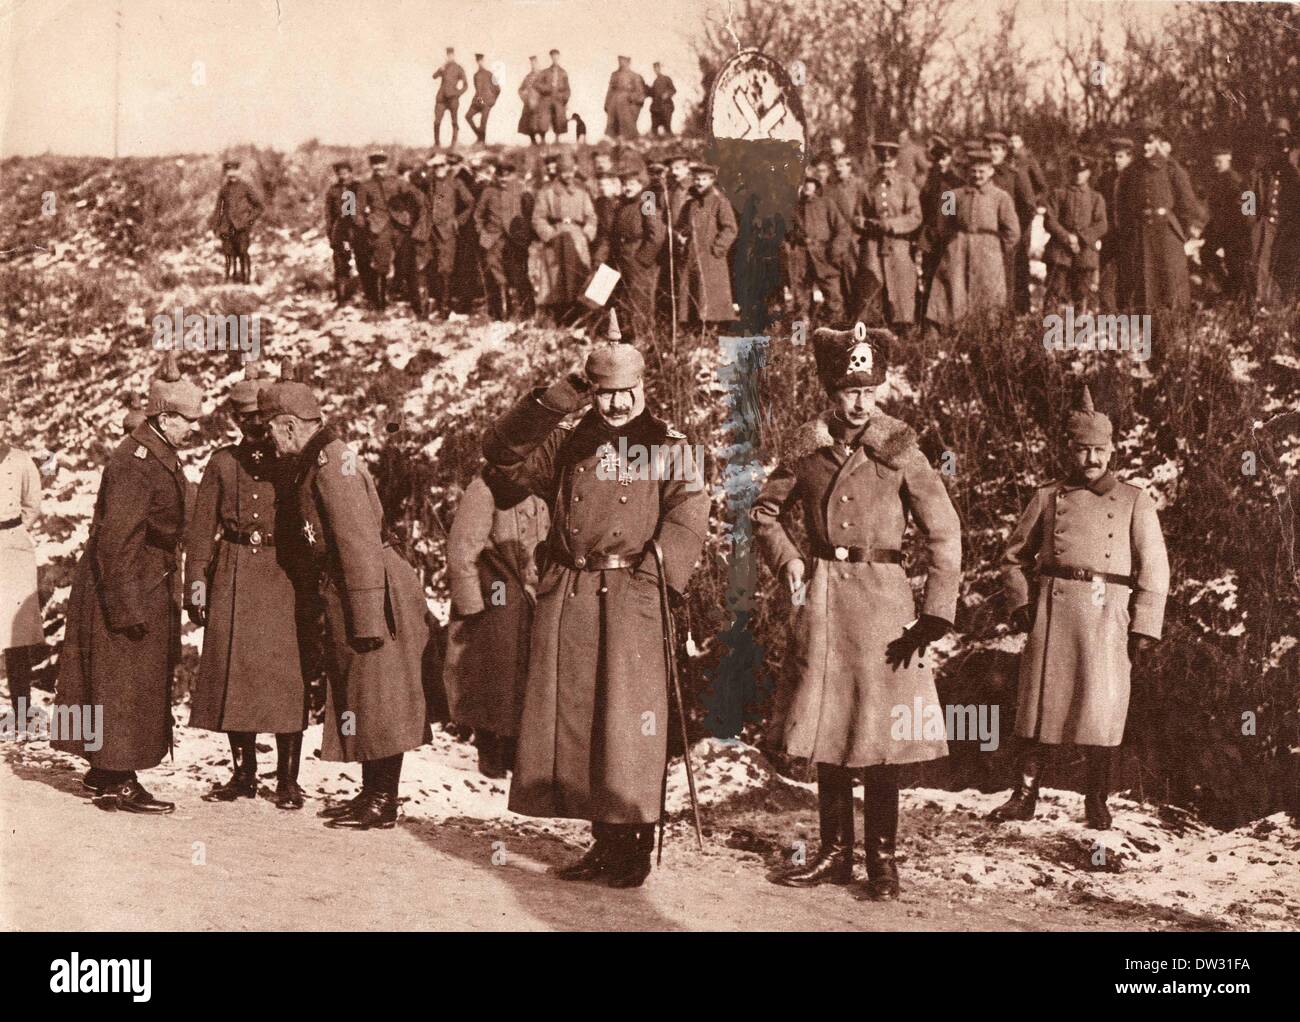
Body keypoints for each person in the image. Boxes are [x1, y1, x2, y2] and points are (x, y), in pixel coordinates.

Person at [481, 344, 709, 887]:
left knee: (630, 719)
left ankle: (633, 846)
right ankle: (604, 843)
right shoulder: (567, 440)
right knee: (584, 718)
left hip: (633, 590)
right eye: (603, 393)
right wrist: (557, 399)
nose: (615, 404)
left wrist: (658, 581)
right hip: (572, 590)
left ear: (643, 387)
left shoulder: (669, 445)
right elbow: (501, 457)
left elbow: (688, 517)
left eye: (625, 392)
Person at [752, 327, 961, 898]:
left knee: (881, 735)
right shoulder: (806, 449)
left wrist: (937, 610)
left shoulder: (901, 450)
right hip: (825, 598)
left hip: (885, 604)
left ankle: (883, 859)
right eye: (848, 389)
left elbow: (943, 531)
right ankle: (835, 852)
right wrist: (790, 562)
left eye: (869, 388)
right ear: (829, 389)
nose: (860, 401)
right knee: (831, 728)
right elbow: (765, 514)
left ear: (882, 387)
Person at [990, 386, 1169, 830]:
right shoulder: (1048, 497)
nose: (1092, 460)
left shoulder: (1134, 500)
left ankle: (1096, 801)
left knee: (1102, 709)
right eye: (1083, 450)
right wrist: (1022, 605)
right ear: (1069, 450)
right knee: (1036, 707)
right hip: (1053, 612)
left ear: (1112, 451)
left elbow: (1155, 569)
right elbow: (1012, 557)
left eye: (1100, 451)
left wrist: (1144, 628)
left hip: (1109, 613)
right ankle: (1025, 795)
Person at [259, 371, 431, 829]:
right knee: (368, 693)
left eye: (270, 430)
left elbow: (357, 543)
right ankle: (373, 794)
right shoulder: (322, 461)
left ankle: (381, 800)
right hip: (358, 587)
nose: (270, 442)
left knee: (379, 693)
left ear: (290, 426)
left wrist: (368, 618)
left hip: (370, 587)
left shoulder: (332, 466)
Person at [52, 353, 204, 813]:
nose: (194, 428)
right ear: (164, 416)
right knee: (123, 681)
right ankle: (118, 778)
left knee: (127, 679)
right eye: (189, 421)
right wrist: (126, 609)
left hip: (146, 581)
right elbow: (116, 542)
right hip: (127, 585)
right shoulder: (135, 461)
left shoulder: (156, 452)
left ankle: (104, 769)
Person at [185, 367, 308, 810]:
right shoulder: (222, 463)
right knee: (236, 674)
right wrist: (196, 583)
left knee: (285, 679)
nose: (254, 427)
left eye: (260, 417)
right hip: (233, 574)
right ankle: (243, 774)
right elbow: (201, 530)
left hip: (282, 577)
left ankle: (288, 780)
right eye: (244, 419)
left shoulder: (293, 463)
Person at [444, 466, 550, 778]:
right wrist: (471, 605)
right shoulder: (485, 487)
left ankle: (519, 750)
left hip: (532, 594)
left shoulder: (541, 490)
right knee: (494, 675)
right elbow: (462, 548)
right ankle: (488, 745)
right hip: (496, 592)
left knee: (525, 674)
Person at [924, 148, 1020, 327]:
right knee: (953, 290)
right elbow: (942, 226)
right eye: (973, 171)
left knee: (988, 294)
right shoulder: (950, 196)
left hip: (988, 253)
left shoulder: (1002, 197)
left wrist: (996, 252)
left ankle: (984, 334)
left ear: (991, 172)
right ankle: (949, 333)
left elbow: (1013, 232)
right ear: (967, 171)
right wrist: (953, 245)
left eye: (982, 171)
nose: (977, 175)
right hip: (958, 249)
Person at [1114, 123, 1204, 313]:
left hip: (1167, 234)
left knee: (1170, 284)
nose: (1145, 147)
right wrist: (1128, 231)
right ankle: (1148, 330)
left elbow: (1187, 204)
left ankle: (1173, 329)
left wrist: (1187, 232)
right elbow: (1122, 206)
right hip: (1141, 236)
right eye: (1141, 143)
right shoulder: (1131, 172)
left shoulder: (1172, 168)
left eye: (1149, 142)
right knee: (1145, 284)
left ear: (1157, 142)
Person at [0, 398, 43, 730]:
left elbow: (32, 503)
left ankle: (23, 710)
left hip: (14, 547)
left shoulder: (22, 461)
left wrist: (13, 530)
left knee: (17, 633)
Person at [854, 140, 922, 329]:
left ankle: (902, 328)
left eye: (889, 161)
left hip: (898, 244)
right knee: (872, 284)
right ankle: (873, 329)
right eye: (882, 161)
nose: (885, 165)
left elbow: (916, 216)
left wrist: (892, 225)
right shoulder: (867, 186)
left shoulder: (906, 185)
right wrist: (863, 223)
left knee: (901, 285)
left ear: (895, 161)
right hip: (873, 243)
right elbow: (858, 214)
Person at [531, 152, 598, 320]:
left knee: (579, 277)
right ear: (558, 172)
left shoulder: (582, 191)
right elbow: (538, 218)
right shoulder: (546, 191)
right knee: (555, 280)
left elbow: (591, 216)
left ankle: (579, 316)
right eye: (564, 171)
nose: (568, 175)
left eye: (570, 171)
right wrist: (549, 234)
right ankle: (557, 316)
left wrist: (587, 233)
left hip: (577, 239)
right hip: (556, 238)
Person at [674, 163, 738, 329]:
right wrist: (682, 239)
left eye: (704, 179)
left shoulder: (720, 202)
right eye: (696, 179)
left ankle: (712, 333)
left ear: (712, 180)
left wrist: (717, 249)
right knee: (692, 298)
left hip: (711, 260)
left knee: (711, 299)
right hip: (691, 257)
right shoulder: (691, 205)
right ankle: (695, 333)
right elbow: (682, 227)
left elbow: (730, 229)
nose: (700, 183)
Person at [1042, 154, 1108, 311]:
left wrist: (1081, 238)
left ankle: (1080, 331)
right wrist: (1067, 238)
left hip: (1085, 254)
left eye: (1082, 171)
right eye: (1074, 171)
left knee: (1082, 294)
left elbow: (1102, 224)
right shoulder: (1058, 194)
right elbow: (1049, 220)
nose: (1078, 175)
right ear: (1069, 172)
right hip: (1060, 252)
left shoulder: (1095, 198)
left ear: (1089, 173)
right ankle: (1049, 330)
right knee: (1055, 291)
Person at [782, 172, 849, 324]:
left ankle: (834, 335)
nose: (806, 185)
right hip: (801, 256)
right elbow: (785, 233)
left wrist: (835, 250)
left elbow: (842, 229)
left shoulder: (826, 204)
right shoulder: (793, 207)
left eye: (810, 182)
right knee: (800, 301)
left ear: (817, 185)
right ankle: (799, 341)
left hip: (824, 255)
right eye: (803, 182)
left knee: (834, 298)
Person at [609, 168, 667, 342]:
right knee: (625, 299)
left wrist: (643, 259)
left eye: (632, 184)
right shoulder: (622, 204)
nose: (628, 187)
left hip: (639, 258)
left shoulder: (647, 200)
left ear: (641, 185)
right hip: (623, 257)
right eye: (625, 184)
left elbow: (656, 235)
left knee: (640, 299)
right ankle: (628, 336)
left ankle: (642, 339)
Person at [1250, 116, 1300, 311]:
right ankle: (1262, 305)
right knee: (1261, 264)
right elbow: (1249, 192)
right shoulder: (1262, 167)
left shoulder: (1295, 164)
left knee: (1286, 265)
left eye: (1283, 139)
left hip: (1290, 225)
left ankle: (1287, 306)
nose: (1279, 144)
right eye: (1275, 140)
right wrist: (1250, 220)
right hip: (1267, 223)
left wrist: (1292, 161)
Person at [475, 160, 534, 319]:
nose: (503, 181)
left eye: (507, 177)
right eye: (500, 177)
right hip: (492, 239)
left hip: (515, 241)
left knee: (518, 275)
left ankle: (525, 312)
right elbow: (478, 216)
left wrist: (524, 236)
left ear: (513, 176)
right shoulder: (488, 192)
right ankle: (500, 313)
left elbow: (528, 215)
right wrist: (483, 234)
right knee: (496, 277)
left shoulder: (520, 190)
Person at [986, 132, 1038, 313]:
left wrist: (1014, 231)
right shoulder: (978, 174)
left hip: (1011, 238)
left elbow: (1029, 207)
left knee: (1013, 278)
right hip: (986, 237)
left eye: (997, 149)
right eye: (989, 149)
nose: (992, 153)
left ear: (1004, 152)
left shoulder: (1015, 175)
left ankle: (1014, 316)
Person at [422, 152, 475, 318]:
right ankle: (435, 304)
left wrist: (458, 221)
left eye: (442, 166)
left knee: (446, 268)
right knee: (432, 267)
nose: (439, 169)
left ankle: (445, 307)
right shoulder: (429, 182)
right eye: (435, 166)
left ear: (447, 166)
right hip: (431, 230)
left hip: (447, 230)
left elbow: (470, 202)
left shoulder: (455, 182)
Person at [917, 136, 962, 316]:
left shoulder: (953, 183)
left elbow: (948, 213)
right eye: (937, 159)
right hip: (930, 236)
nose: (940, 163)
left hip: (946, 236)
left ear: (950, 158)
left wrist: (943, 233)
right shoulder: (930, 182)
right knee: (928, 278)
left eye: (944, 158)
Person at [1096, 138, 1135, 309]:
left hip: (1130, 235)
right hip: (1109, 234)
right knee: (1106, 276)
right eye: (1113, 157)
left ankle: (1127, 312)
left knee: (1128, 276)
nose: (1115, 161)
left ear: (1130, 157)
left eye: (1120, 157)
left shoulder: (1137, 179)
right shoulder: (1105, 178)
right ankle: (1108, 313)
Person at [211, 159, 263, 284]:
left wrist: (248, 220)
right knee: (228, 253)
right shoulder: (224, 190)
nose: (232, 174)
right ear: (226, 173)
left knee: (243, 252)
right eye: (229, 171)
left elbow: (259, 207)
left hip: (242, 227)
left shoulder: (245, 187)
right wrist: (215, 226)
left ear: (238, 172)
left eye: (234, 171)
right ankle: (230, 278)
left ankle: (246, 278)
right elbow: (219, 209)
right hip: (227, 226)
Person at [325, 161, 361, 304]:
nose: (343, 176)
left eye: (345, 173)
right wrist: (330, 233)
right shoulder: (333, 191)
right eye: (340, 173)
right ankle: (342, 297)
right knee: (341, 262)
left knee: (363, 261)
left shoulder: (358, 188)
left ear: (351, 172)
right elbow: (329, 214)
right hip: (342, 233)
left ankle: (369, 295)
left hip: (358, 231)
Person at [604, 55, 647, 140]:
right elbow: (610, 90)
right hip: (614, 102)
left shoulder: (635, 76)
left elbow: (640, 94)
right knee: (612, 127)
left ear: (628, 61)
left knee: (627, 125)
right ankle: (612, 138)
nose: (621, 62)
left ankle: (628, 138)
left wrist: (630, 97)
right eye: (619, 60)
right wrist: (607, 103)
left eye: (623, 60)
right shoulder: (615, 75)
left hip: (627, 104)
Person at [432, 47, 468, 148]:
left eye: (451, 55)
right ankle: (437, 143)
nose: (449, 57)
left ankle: (454, 143)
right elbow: (434, 76)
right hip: (441, 98)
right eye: (448, 55)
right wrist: (440, 69)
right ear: (446, 55)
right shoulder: (444, 67)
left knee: (454, 121)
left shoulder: (458, 68)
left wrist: (458, 93)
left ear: (453, 55)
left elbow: (466, 85)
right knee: (437, 121)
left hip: (453, 98)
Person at [535, 49, 571, 142]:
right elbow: (536, 84)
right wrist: (547, 88)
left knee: (559, 118)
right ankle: (542, 140)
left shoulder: (563, 72)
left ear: (558, 57)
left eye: (556, 56)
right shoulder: (545, 72)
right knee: (544, 119)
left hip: (558, 99)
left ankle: (557, 139)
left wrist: (564, 98)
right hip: (546, 98)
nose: (555, 58)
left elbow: (567, 88)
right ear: (550, 57)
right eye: (553, 56)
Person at [467, 53, 500, 144]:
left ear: (483, 61)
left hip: (487, 101)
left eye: (481, 61)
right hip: (478, 100)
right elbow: (477, 89)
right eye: (478, 61)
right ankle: (479, 136)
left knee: (483, 122)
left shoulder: (489, 74)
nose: (480, 63)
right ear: (477, 62)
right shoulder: (475, 75)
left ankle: (482, 142)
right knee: (468, 116)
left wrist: (493, 101)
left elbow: (498, 89)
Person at [517, 56, 542, 145]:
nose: (533, 65)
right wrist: (525, 99)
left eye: (535, 63)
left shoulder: (543, 75)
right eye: (531, 63)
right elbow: (520, 90)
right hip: (529, 103)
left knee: (541, 122)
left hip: (541, 103)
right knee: (528, 122)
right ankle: (533, 141)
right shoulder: (528, 77)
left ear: (538, 63)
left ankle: (543, 140)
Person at [649, 62, 676, 137]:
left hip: (666, 106)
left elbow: (673, 90)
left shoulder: (666, 79)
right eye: (655, 68)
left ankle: (671, 141)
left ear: (660, 68)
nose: (656, 70)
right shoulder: (655, 81)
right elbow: (652, 93)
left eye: (657, 68)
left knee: (667, 126)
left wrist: (667, 94)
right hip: (656, 107)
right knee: (654, 127)